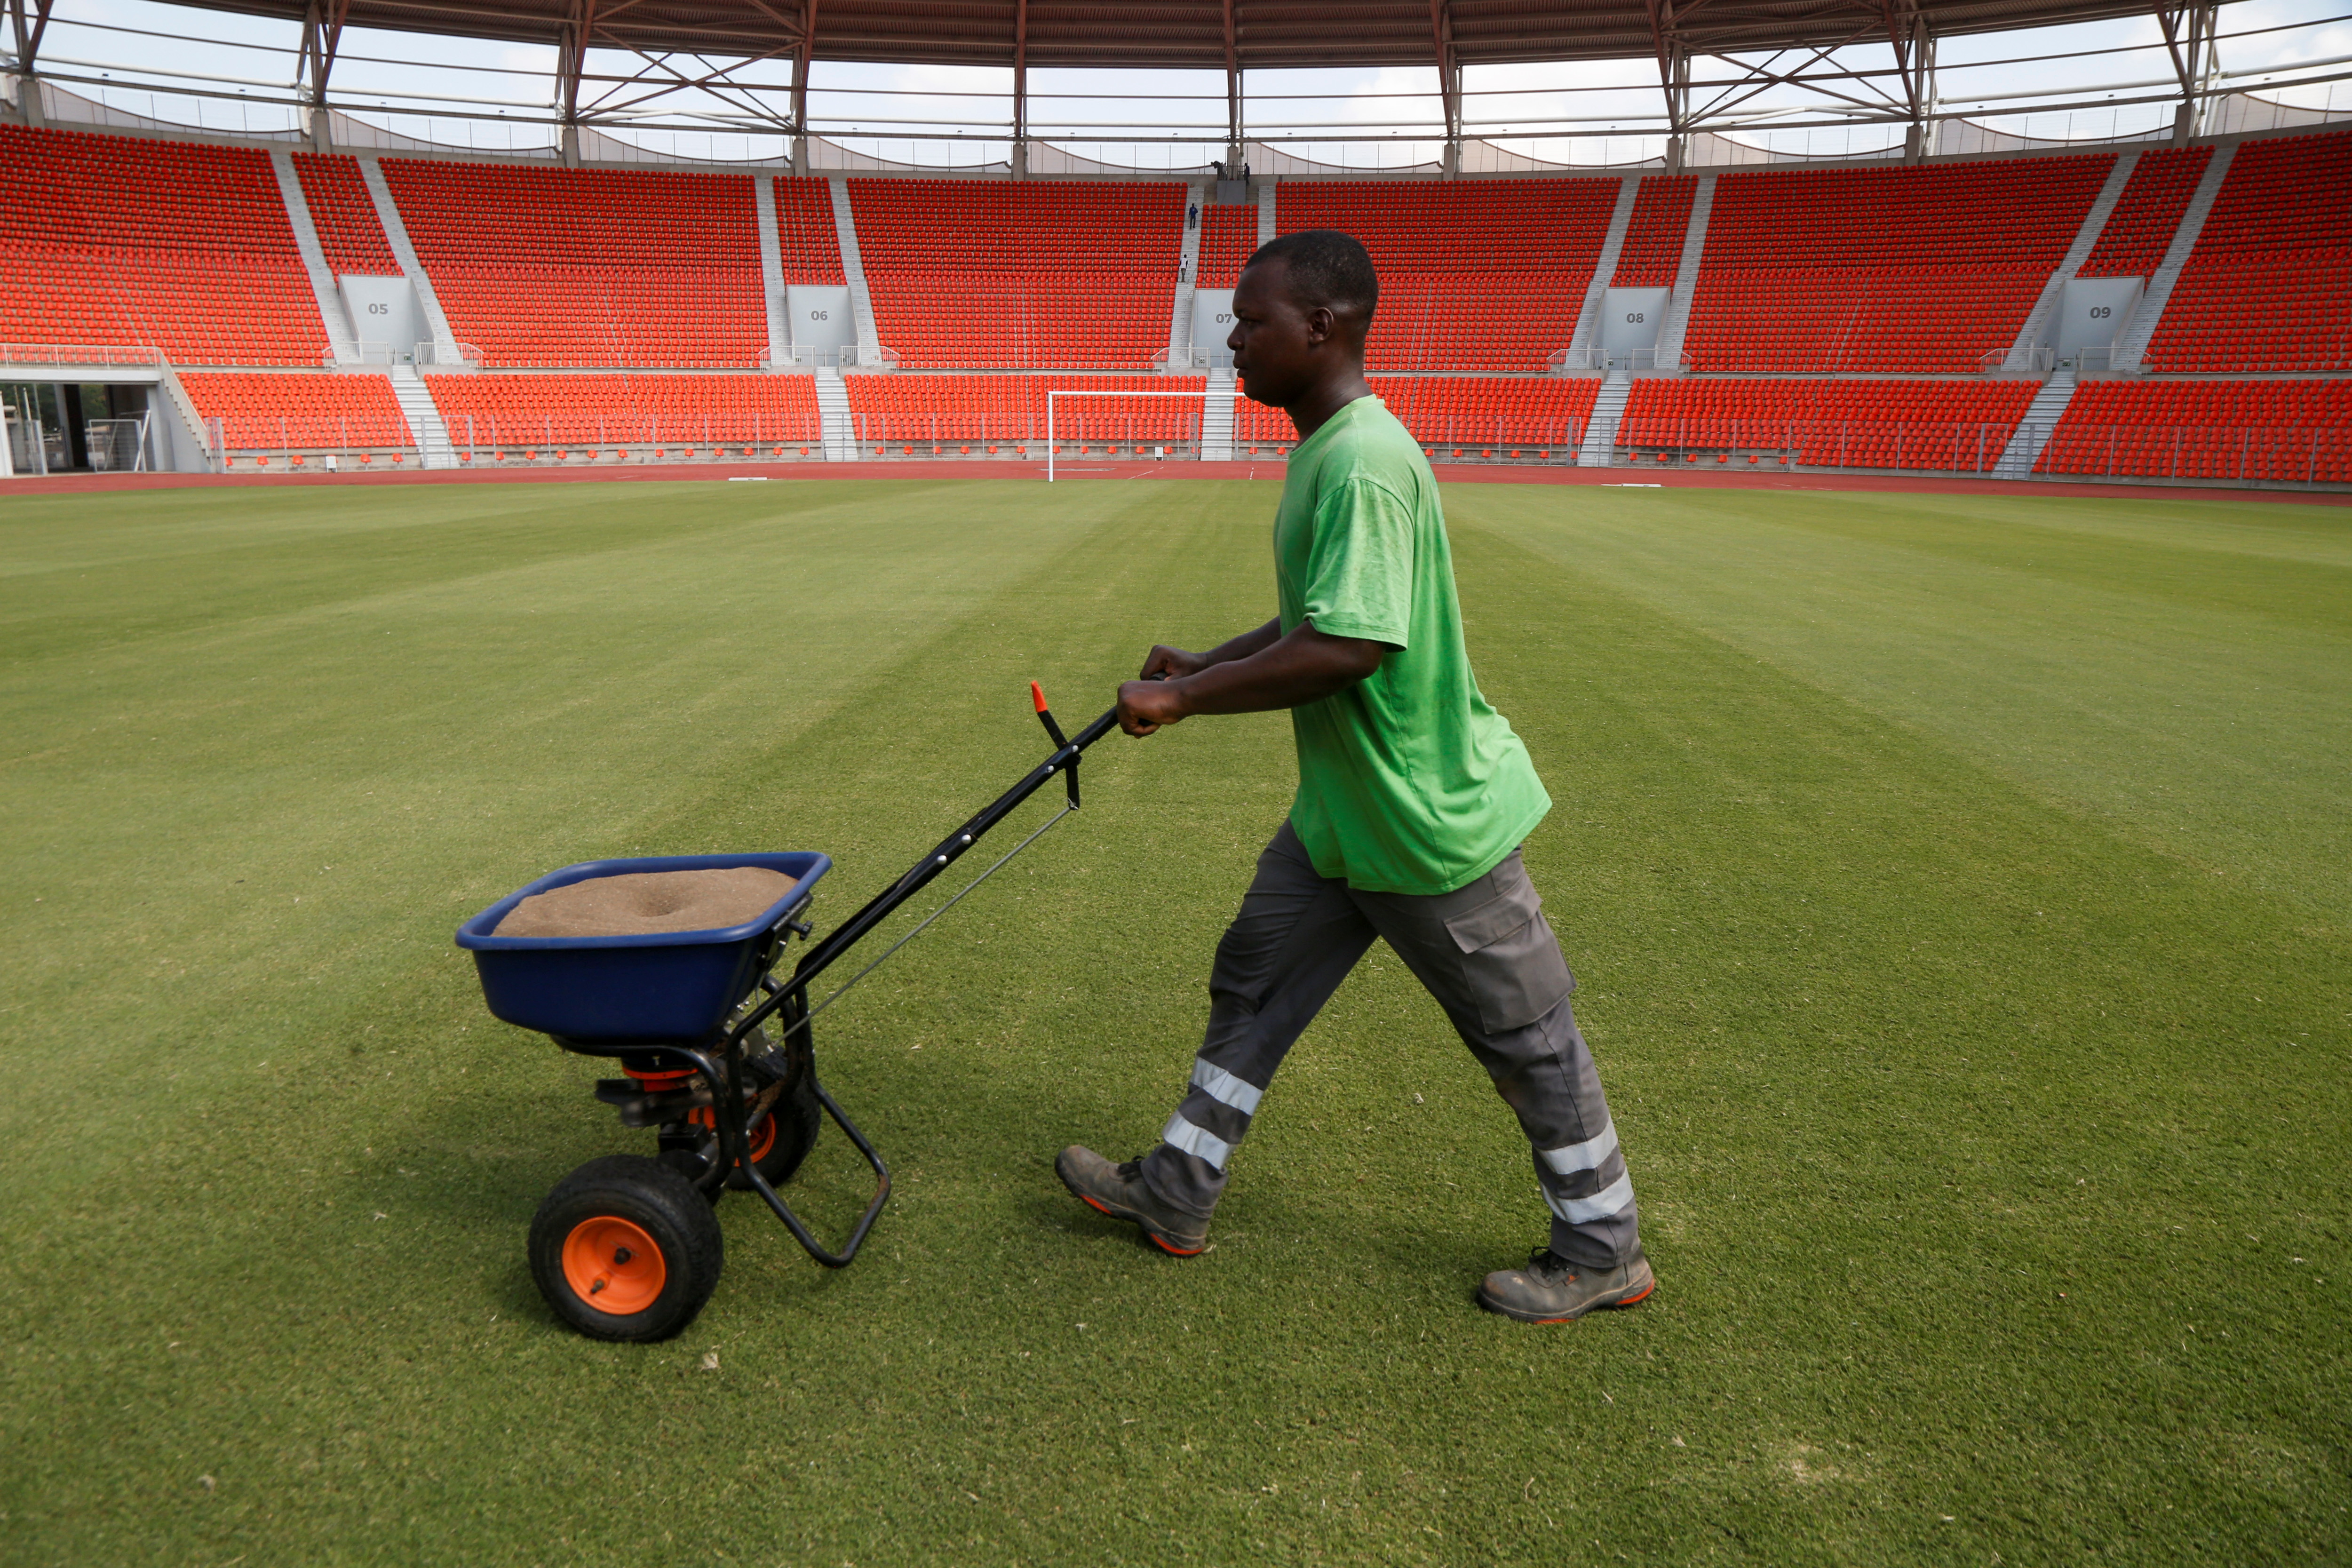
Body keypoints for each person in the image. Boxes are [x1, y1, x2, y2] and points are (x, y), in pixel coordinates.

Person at [1055, 229, 1654, 1323]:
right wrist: (1209, 658)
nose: (1231, 341)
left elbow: (1352, 647)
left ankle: (1602, 1246)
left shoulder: (1365, 461)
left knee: (1527, 1036)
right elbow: (1317, 618)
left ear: (1321, 328)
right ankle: (1176, 1189)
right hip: (1341, 821)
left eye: (1251, 322)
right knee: (1253, 985)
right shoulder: (1329, 450)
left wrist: (1186, 701)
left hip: (1427, 823)